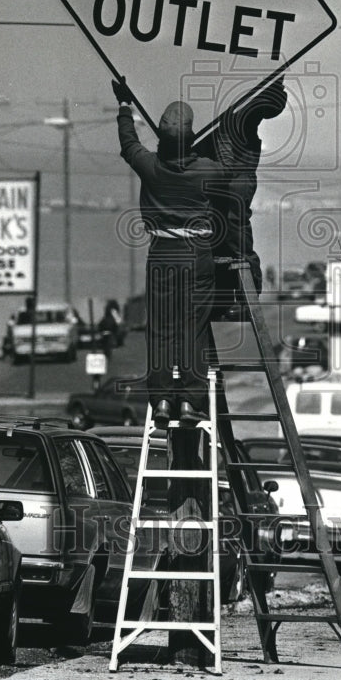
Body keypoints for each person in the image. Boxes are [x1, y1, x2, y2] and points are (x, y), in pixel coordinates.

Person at [113, 76, 235, 427]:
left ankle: (163, 400)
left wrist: (125, 107)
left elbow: (128, 143)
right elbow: (227, 169)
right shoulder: (206, 173)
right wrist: (218, 136)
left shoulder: (149, 166)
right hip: (197, 253)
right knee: (192, 329)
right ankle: (190, 402)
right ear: (191, 137)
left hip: (162, 253)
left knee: (161, 330)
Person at [199, 78, 288, 312]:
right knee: (213, 229)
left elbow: (275, 101)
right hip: (207, 167)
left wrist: (244, 105)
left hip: (236, 168)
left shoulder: (252, 77)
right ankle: (223, 299)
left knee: (233, 226)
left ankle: (246, 293)